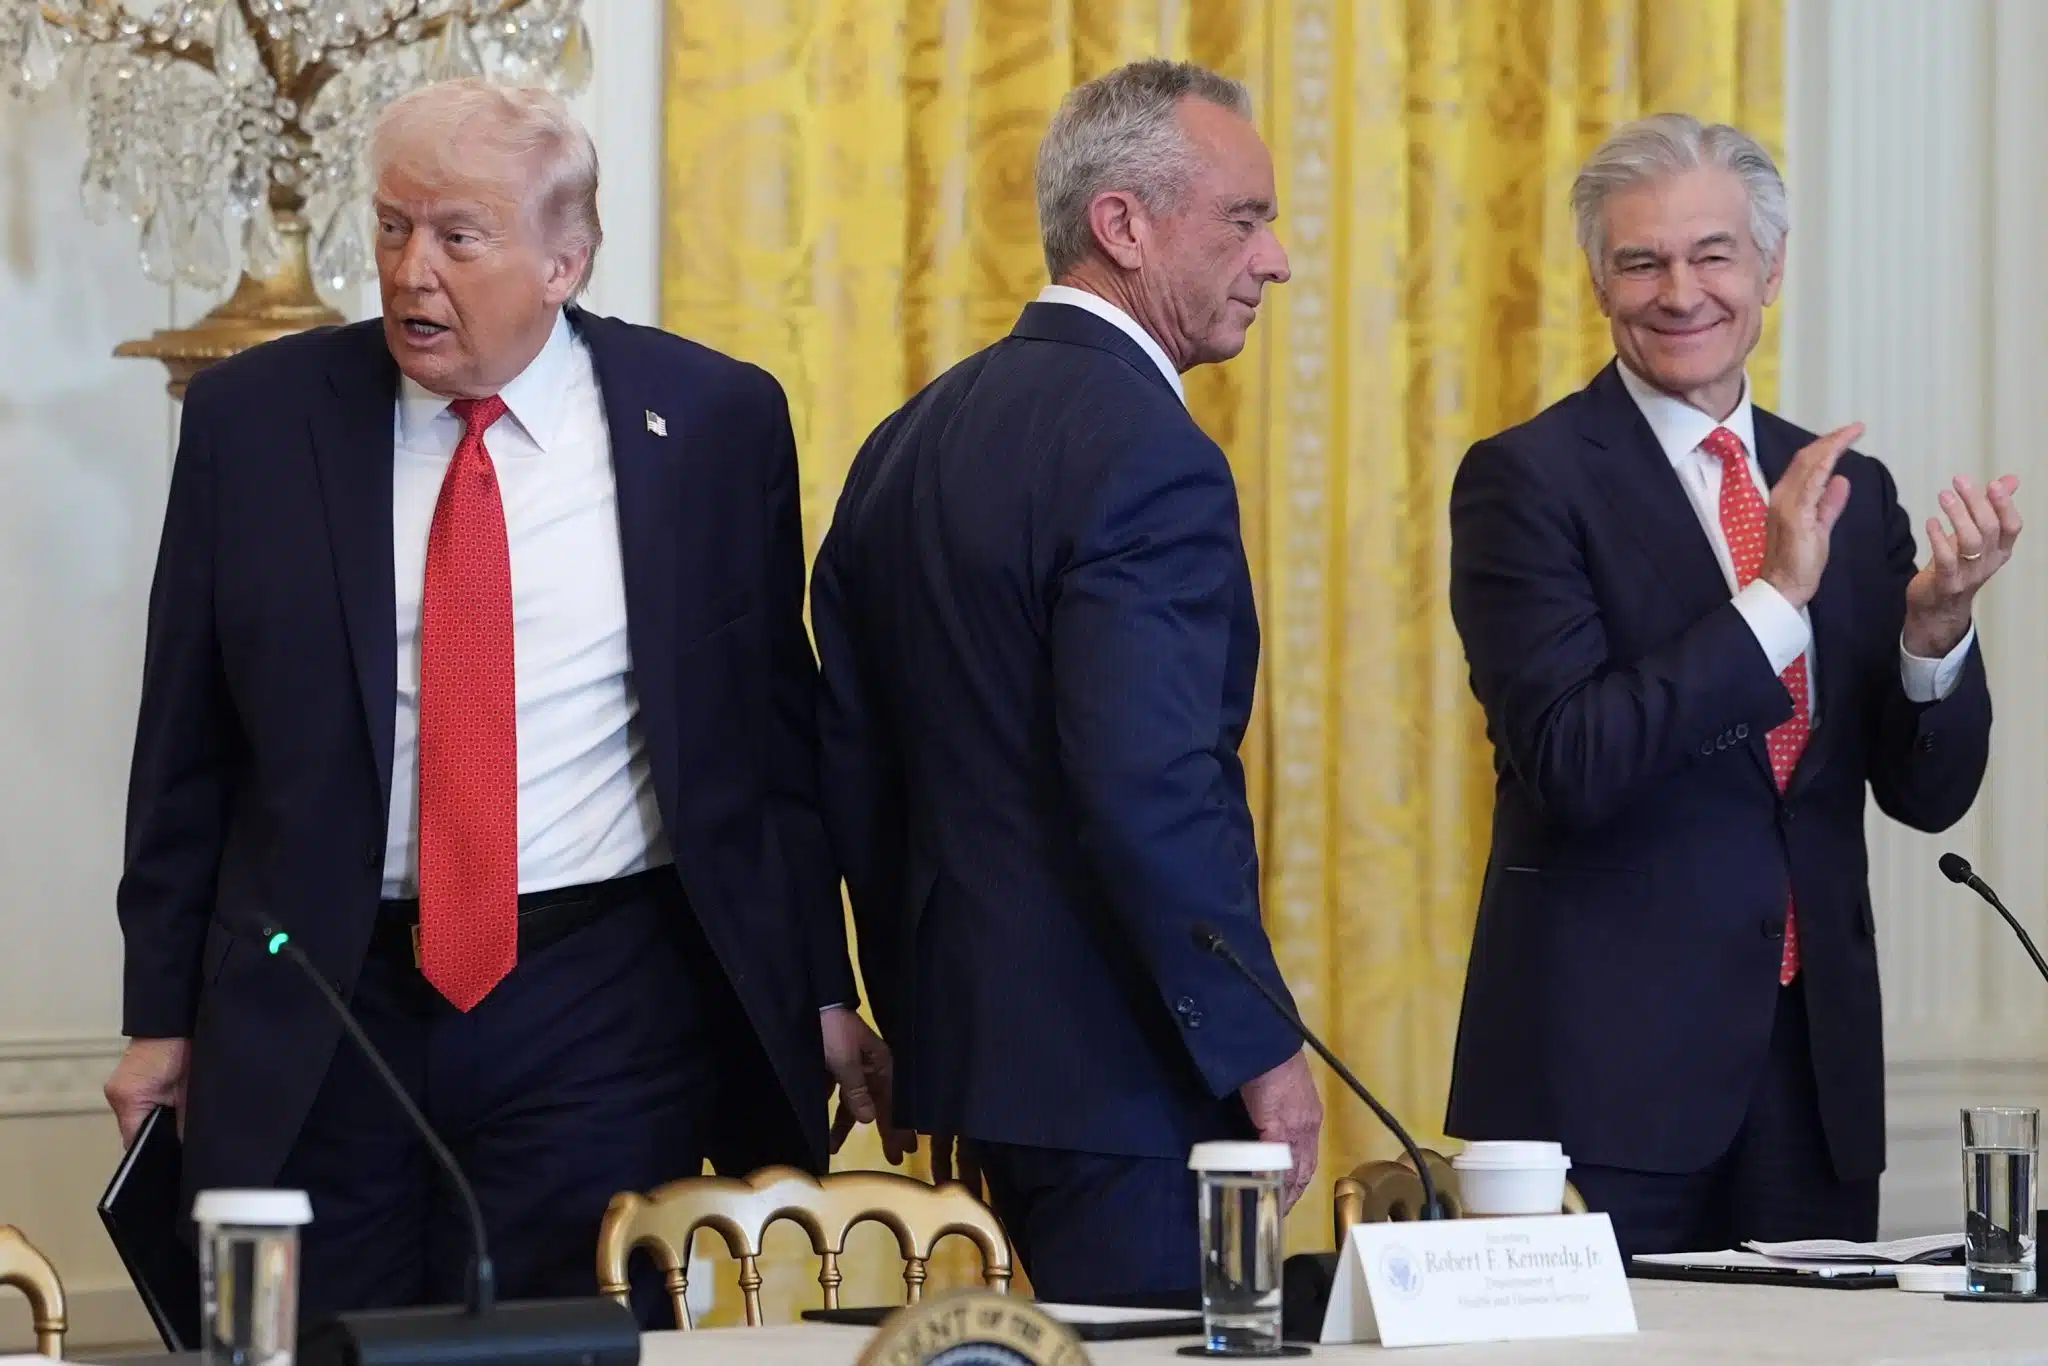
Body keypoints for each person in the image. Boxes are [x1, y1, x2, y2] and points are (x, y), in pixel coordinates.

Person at [104, 79, 897, 1319]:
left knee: (565, 1336)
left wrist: (820, 982)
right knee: (330, 1341)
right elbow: (185, 745)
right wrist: (158, 1013)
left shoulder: (712, 420)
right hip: (331, 998)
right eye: (390, 227)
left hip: (600, 996)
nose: (411, 269)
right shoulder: (255, 424)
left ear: (562, 262)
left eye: (458, 236)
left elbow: (765, 742)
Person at [1444, 113, 2020, 1257]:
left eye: (1711, 254)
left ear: (1768, 266)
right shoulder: (1525, 481)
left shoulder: (1844, 486)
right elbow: (1570, 760)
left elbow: (1927, 794)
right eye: (1639, 260)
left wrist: (1935, 630)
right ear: (1596, 278)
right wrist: (1768, 605)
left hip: (1811, 1086)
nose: (1679, 291)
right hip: (1601, 1086)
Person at [810, 59, 1321, 1303]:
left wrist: (899, 1004)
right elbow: (1148, 782)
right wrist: (1259, 1046)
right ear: (1122, 225)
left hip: (969, 1073)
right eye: (1243, 220)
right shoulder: (1151, 453)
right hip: (1123, 1076)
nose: (1275, 260)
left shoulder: (904, 439)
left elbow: (848, 763)